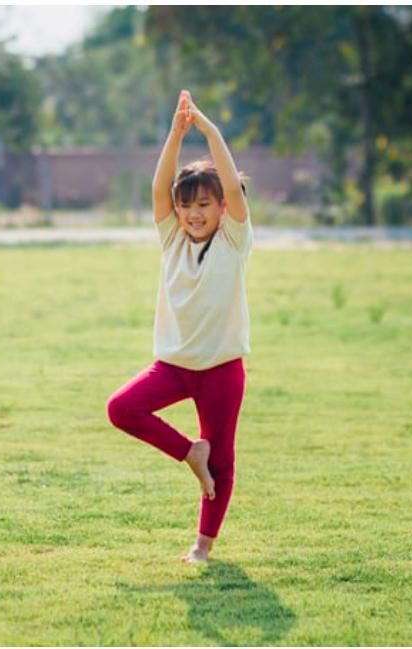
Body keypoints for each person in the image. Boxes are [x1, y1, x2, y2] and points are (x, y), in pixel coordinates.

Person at [107, 89, 252, 563]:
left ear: (222, 209)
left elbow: (232, 187)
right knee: (121, 409)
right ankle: (191, 453)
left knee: (224, 462)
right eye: (187, 205)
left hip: (221, 369)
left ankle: (203, 546)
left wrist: (209, 133)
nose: (194, 213)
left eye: (204, 205)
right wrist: (175, 134)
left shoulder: (233, 239)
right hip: (172, 366)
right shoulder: (171, 239)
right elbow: (158, 190)